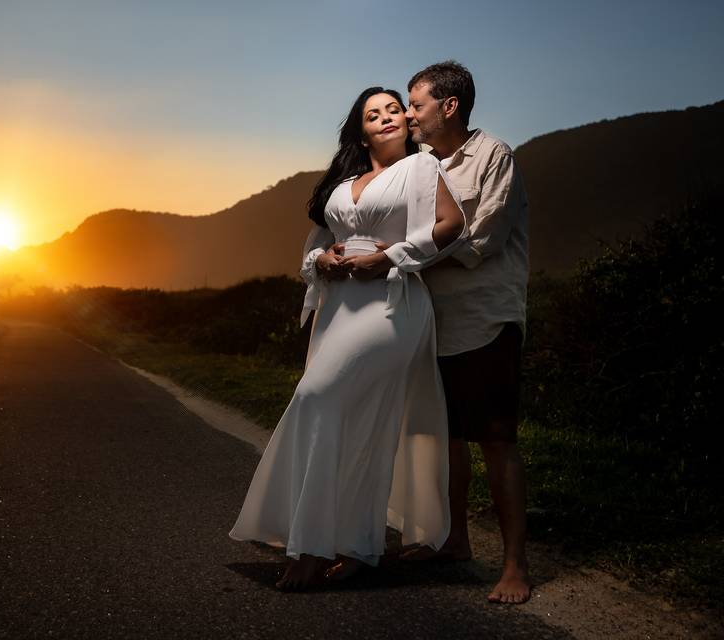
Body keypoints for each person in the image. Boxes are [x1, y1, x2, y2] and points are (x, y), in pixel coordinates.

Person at [228, 86, 468, 591]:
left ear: (406, 121)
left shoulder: (423, 169)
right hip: (338, 308)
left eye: (392, 110)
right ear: (359, 130)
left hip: (391, 305)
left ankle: (312, 548)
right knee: (359, 423)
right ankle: (360, 547)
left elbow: (453, 225)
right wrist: (322, 261)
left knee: (316, 397)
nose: (384, 118)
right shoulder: (344, 183)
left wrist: (391, 256)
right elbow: (313, 247)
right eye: (371, 114)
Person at [317, 62, 531, 603]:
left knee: (497, 438)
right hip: (427, 317)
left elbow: (481, 238)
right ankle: (455, 540)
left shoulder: (492, 157)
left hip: (483, 318)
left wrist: (390, 257)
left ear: (449, 106)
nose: (408, 114)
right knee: (446, 435)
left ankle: (514, 566)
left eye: (415, 104)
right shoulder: (421, 165)